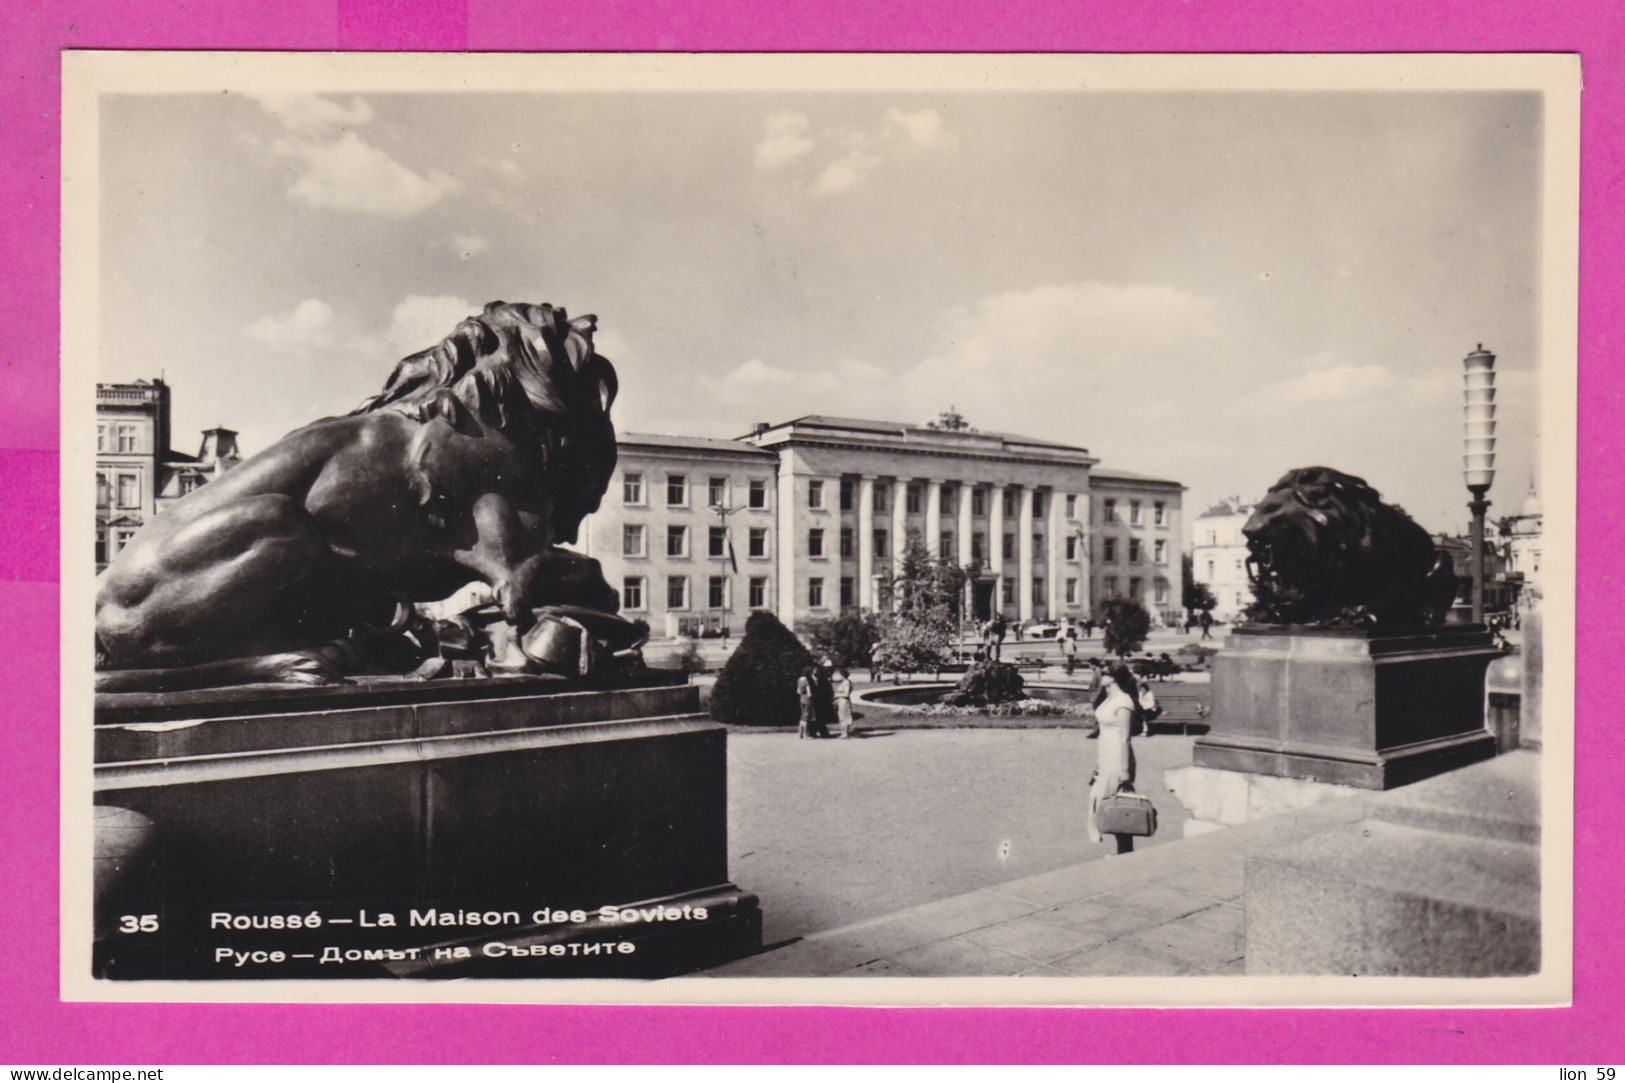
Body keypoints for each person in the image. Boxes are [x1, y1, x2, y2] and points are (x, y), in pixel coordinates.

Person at [1088, 666, 1144, 855]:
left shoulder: (1123, 702)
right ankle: (1123, 852)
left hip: (1117, 759)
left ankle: (1126, 852)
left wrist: (1125, 769)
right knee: (1103, 802)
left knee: (1118, 805)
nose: (1101, 676)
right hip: (1105, 758)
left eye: (1105, 674)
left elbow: (1125, 737)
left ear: (1114, 678)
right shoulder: (1108, 699)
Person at [809, 661, 835, 739]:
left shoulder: (822, 679)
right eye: (815, 670)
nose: (817, 672)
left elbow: (826, 689)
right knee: (812, 717)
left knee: (821, 717)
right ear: (812, 670)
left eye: (817, 670)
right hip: (812, 700)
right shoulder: (808, 679)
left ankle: (823, 732)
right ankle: (812, 732)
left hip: (820, 700)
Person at [833, 667, 854, 738]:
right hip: (841, 701)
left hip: (844, 702)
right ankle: (845, 732)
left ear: (842, 675)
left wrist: (836, 695)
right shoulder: (845, 682)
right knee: (843, 716)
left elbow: (846, 694)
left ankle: (845, 733)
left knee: (844, 717)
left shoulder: (846, 683)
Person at [796, 667, 814, 739]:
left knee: (802, 716)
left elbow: (798, 691)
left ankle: (800, 733)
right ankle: (806, 734)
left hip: (801, 698)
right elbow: (809, 693)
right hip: (807, 698)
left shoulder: (799, 680)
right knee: (807, 716)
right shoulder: (806, 681)